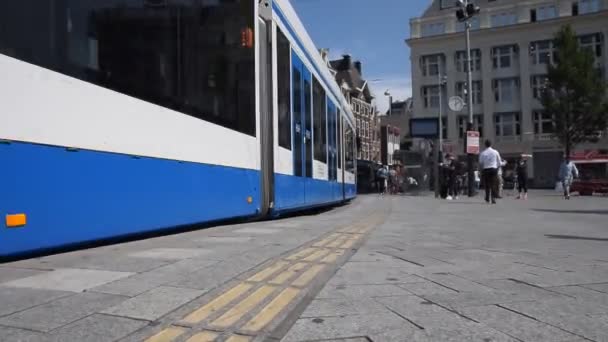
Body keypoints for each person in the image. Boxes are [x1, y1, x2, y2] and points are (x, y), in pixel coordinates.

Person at [478, 140, 502, 204]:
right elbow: (499, 161)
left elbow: (481, 162)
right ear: (491, 144)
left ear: (485, 145)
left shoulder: (483, 153)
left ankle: (487, 198)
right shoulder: (495, 152)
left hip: (486, 169)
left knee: (487, 184)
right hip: (494, 169)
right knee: (494, 184)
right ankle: (493, 198)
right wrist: (497, 167)